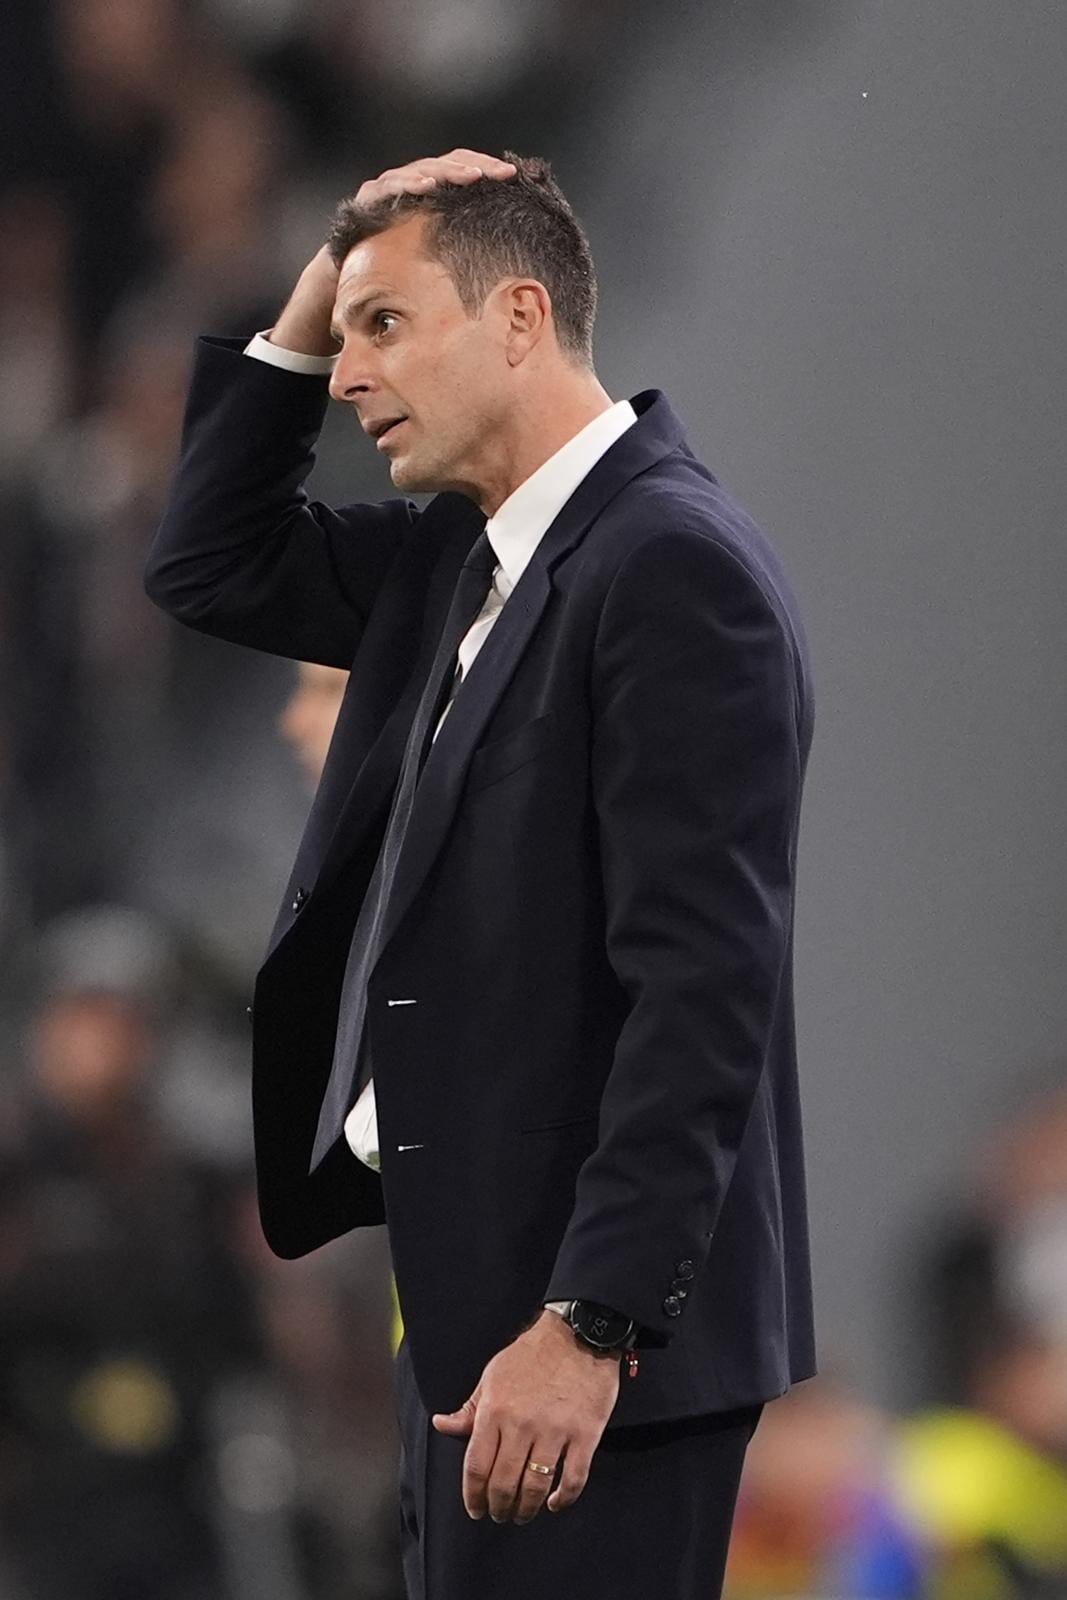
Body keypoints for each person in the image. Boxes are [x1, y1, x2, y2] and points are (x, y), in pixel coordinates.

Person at [145, 147, 817, 1599]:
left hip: (583, 1359)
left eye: (385, 326)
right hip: (473, 1315)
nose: (344, 374)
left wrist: (593, 1327)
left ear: (519, 318)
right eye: (344, 334)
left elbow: (703, 993)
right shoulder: (462, 558)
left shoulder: (672, 569)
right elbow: (207, 561)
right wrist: (329, 271)